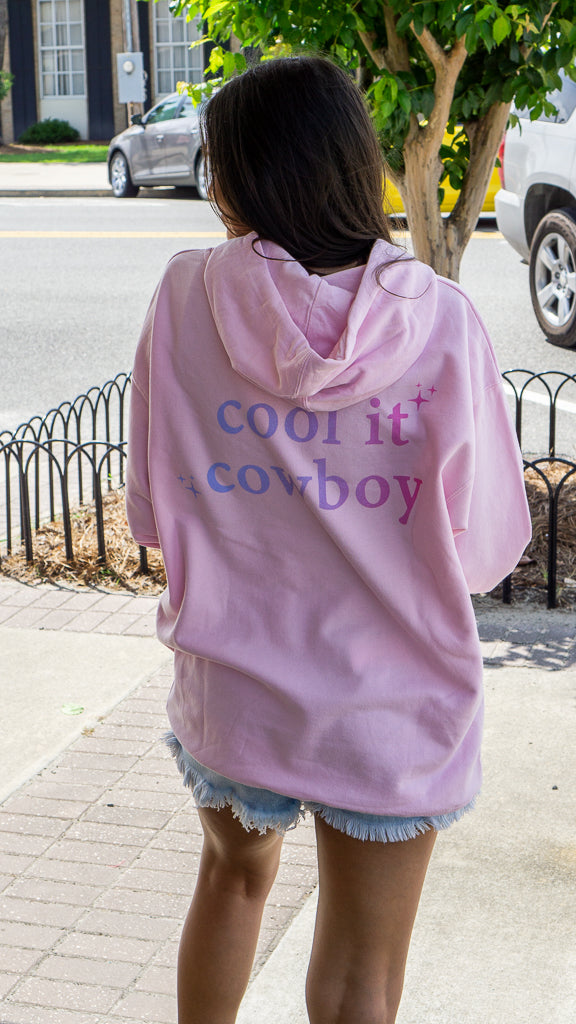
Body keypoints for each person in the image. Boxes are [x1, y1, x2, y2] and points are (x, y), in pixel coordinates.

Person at [126, 55, 531, 1024]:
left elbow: (151, 509)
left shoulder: (186, 295)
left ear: (238, 178)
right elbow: (485, 548)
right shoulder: (441, 320)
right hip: (392, 705)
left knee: (231, 880)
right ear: (354, 162)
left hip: (235, 686)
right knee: (360, 974)